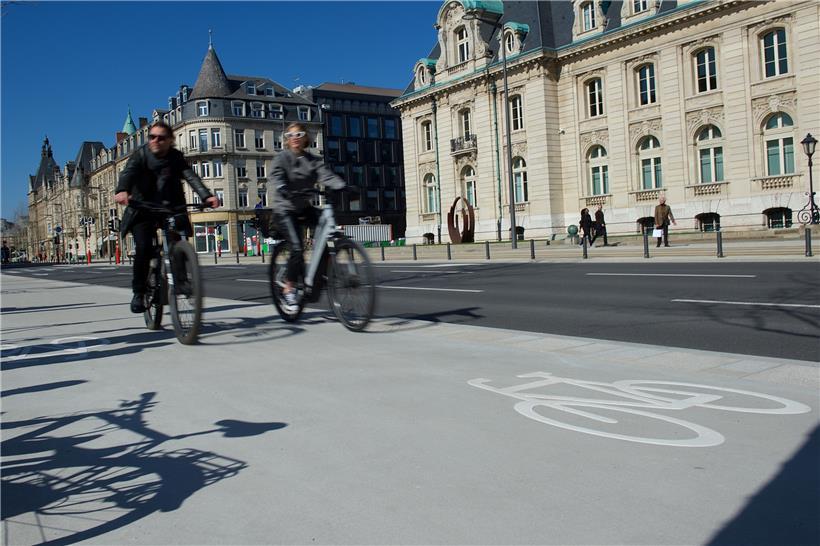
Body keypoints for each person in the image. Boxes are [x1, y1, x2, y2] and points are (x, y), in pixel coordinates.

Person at [114, 121, 219, 313]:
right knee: (144, 248)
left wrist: (206, 195)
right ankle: (139, 292)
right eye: (152, 137)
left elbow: (191, 176)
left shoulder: (176, 157)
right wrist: (122, 190)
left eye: (161, 138)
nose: (155, 140)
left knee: (177, 241)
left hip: (171, 207)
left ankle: (181, 281)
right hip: (142, 208)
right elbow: (128, 173)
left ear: (170, 140)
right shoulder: (141, 154)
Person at [272, 122, 346, 307]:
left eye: (299, 134)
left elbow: (326, 176)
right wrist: (283, 188)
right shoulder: (282, 158)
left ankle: (318, 275)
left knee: (326, 228)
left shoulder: (312, 161)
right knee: (297, 247)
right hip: (285, 208)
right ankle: (288, 289)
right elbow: (276, 176)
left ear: (305, 138)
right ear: (287, 140)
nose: (295, 138)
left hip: (303, 207)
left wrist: (342, 186)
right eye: (290, 135)